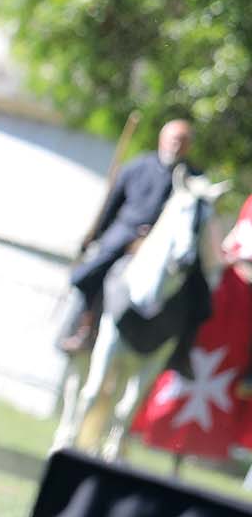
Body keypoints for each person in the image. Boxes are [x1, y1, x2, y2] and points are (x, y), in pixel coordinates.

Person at [59, 119, 195, 352]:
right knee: (92, 272)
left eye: (182, 141)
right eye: (173, 139)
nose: (176, 145)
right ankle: (84, 327)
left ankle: (181, 351)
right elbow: (110, 206)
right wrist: (94, 236)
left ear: (188, 146)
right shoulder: (136, 166)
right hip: (126, 235)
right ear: (162, 139)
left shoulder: (193, 179)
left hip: (164, 245)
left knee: (197, 288)